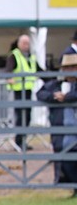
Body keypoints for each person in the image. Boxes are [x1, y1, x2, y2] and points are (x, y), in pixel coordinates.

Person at [36, 52, 77, 190]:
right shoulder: (56, 85)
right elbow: (41, 93)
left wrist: (67, 97)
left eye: (73, 67)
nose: (70, 71)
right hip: (62, 130)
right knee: (64, 158)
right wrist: (54, 97)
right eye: (67, 67)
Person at [4, 34, 39, 151]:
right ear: (18, 44)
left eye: (27, 43)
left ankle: (23, 140)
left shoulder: (31, 56)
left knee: (27, 116)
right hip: (18, 90)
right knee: (21, 117)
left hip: (28, 89)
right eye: (24, 43)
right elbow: (8, 70)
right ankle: (19, 141)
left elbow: (38, 69)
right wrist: (9, 77)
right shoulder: (14, 55)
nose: (26, 46)